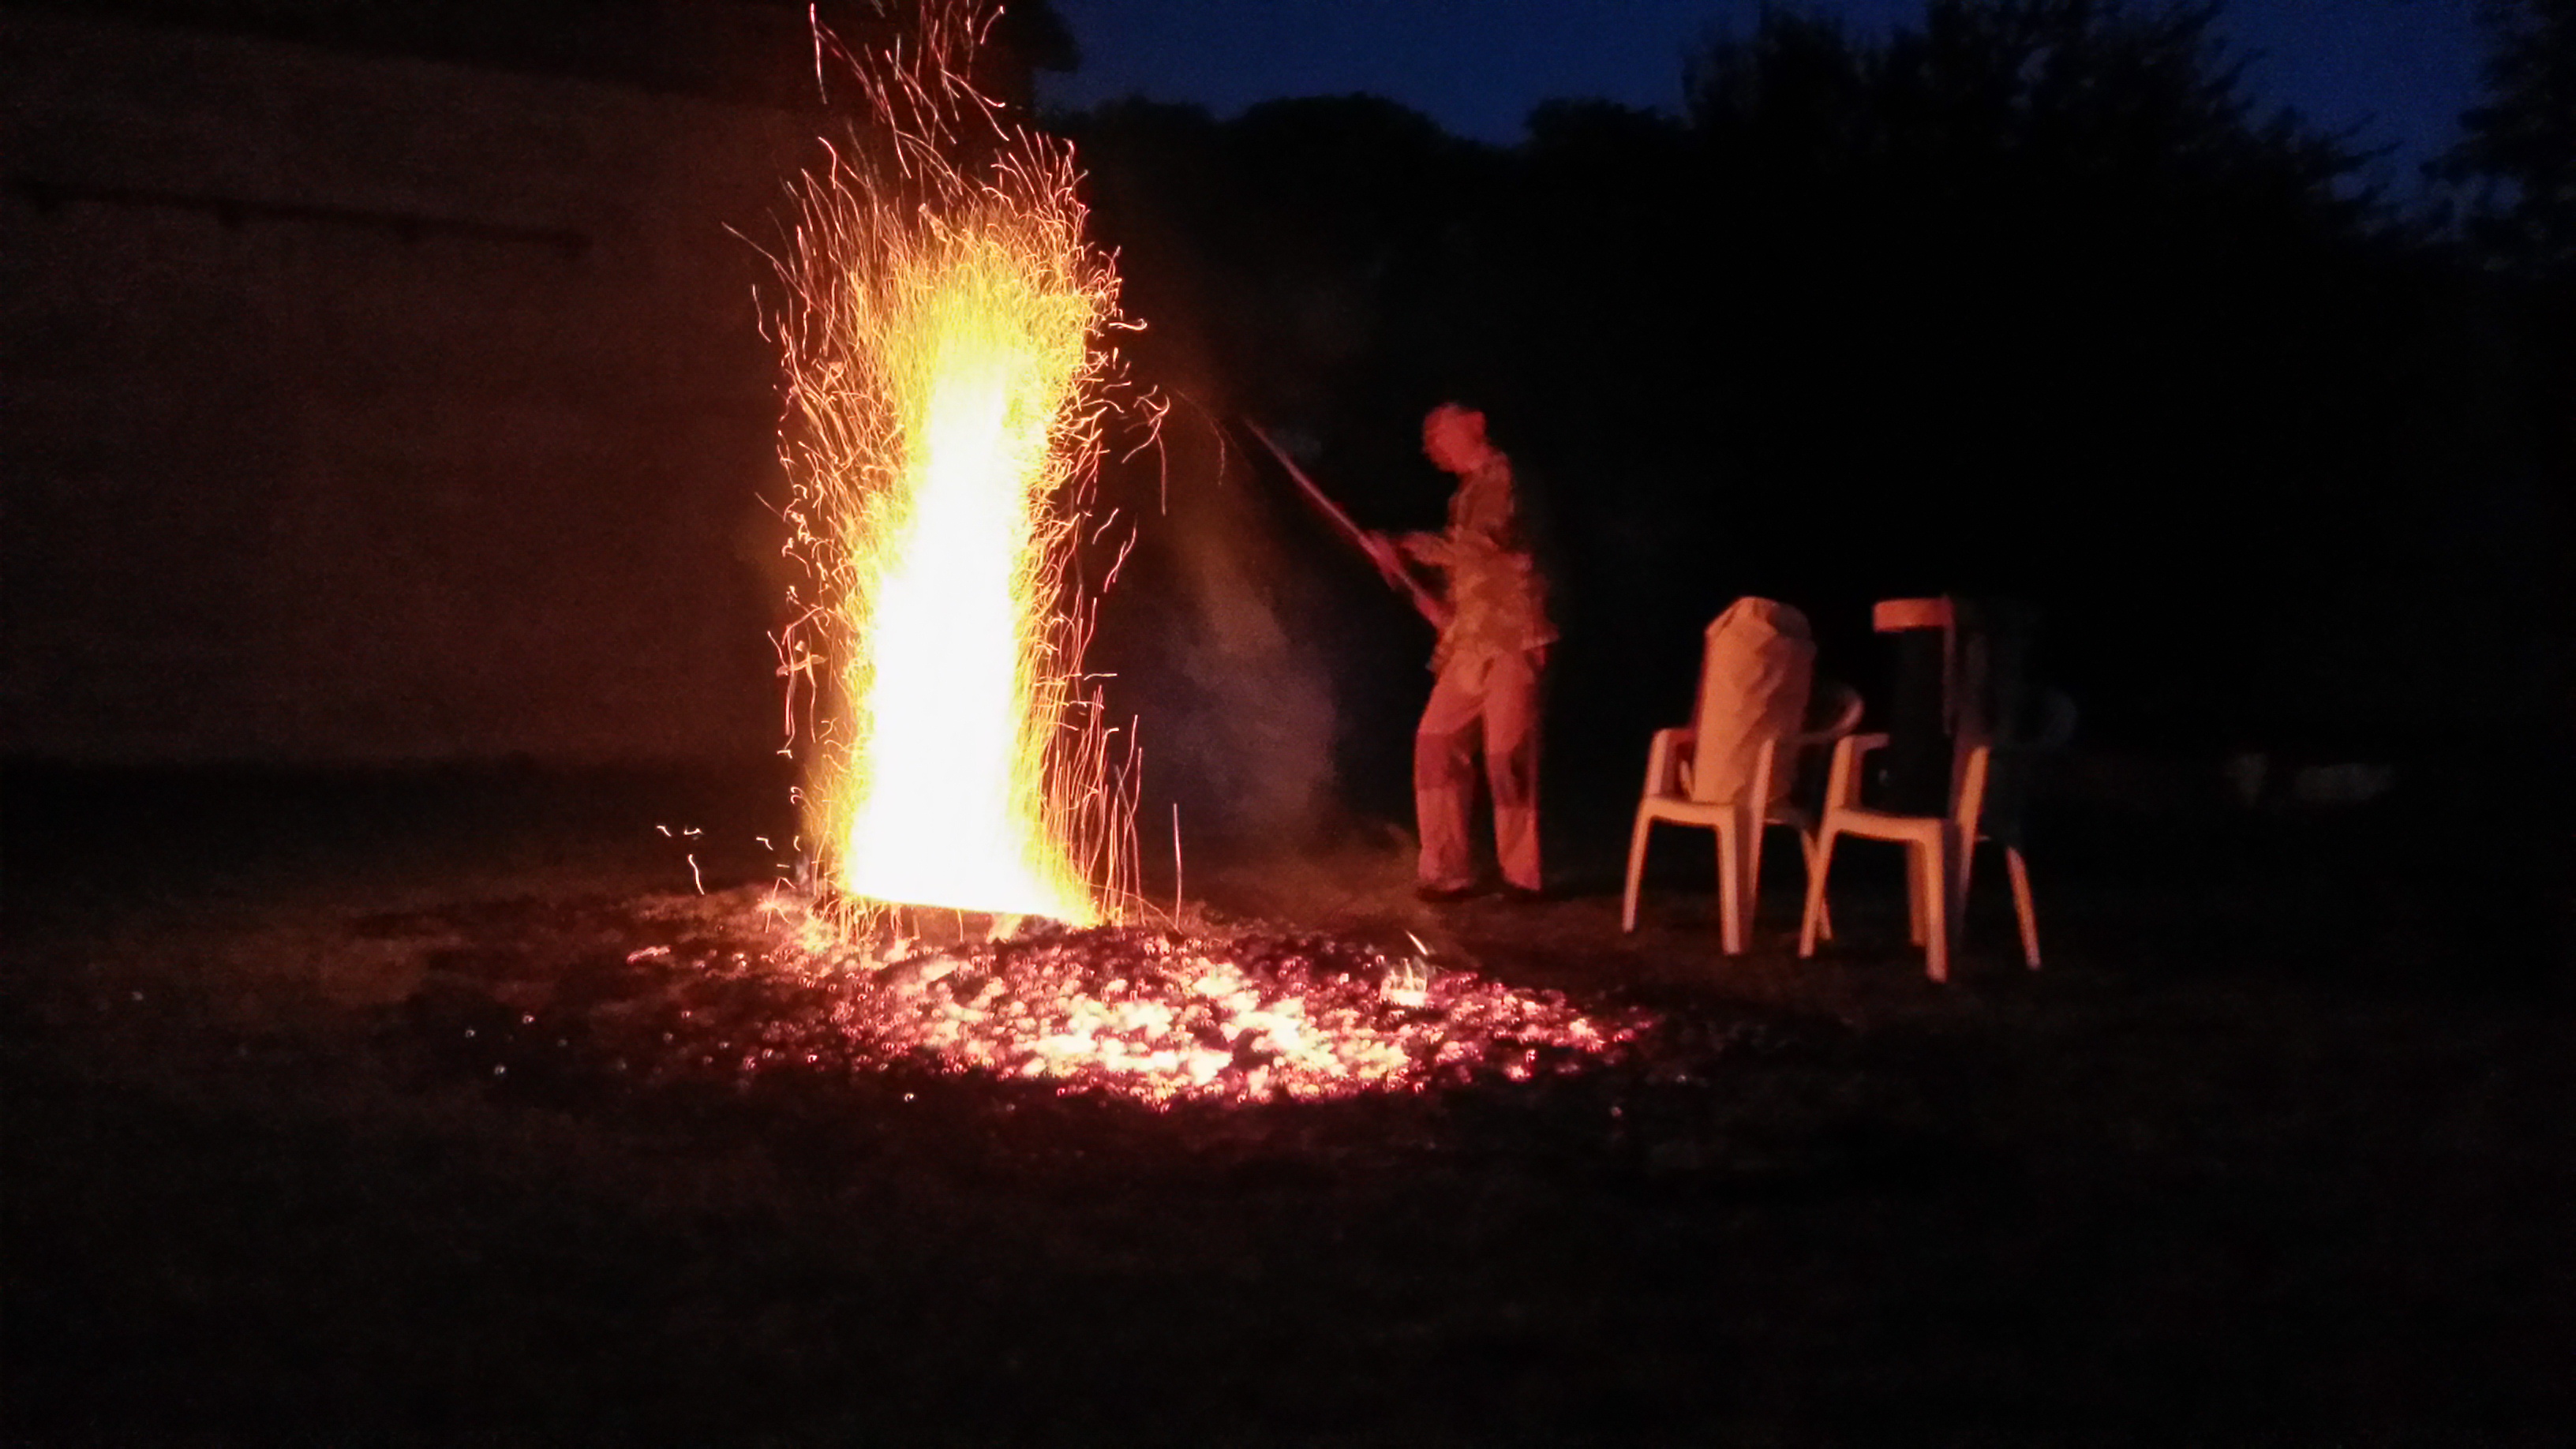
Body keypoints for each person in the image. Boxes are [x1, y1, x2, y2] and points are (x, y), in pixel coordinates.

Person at [1365, 402, 1558, 903]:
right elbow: (1471, 572)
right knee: (1435, 744)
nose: (1430, 445)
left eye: (1438, 432)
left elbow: (1483, 547)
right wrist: (1437, 604)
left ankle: (1522, 877)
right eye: (1428, 437)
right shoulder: (1466, 494)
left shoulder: (1505, 477)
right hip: (1471, 645)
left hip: (1515, 639)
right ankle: (1446, 871)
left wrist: (1406, 546)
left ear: (1474, 424)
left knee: (1506, 758)